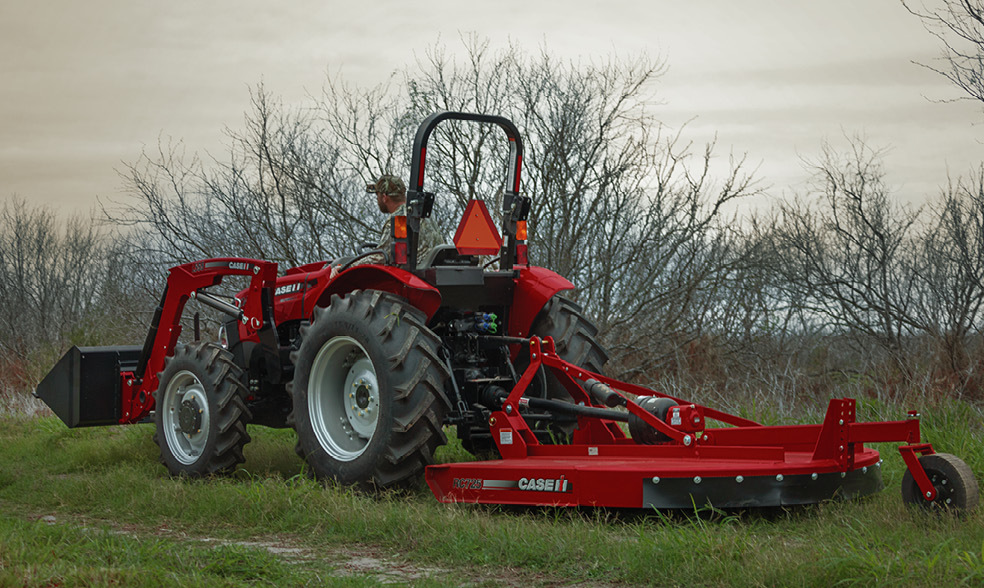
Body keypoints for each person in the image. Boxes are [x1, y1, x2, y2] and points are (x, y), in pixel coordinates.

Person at [330, 174, 443, 278]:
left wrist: (347, 267)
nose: (377, 199)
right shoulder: (423, 215)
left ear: (384, 197)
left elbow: (381, 257)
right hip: (435, 268)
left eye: (377, 195)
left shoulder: (399, 219)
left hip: (413, 275)